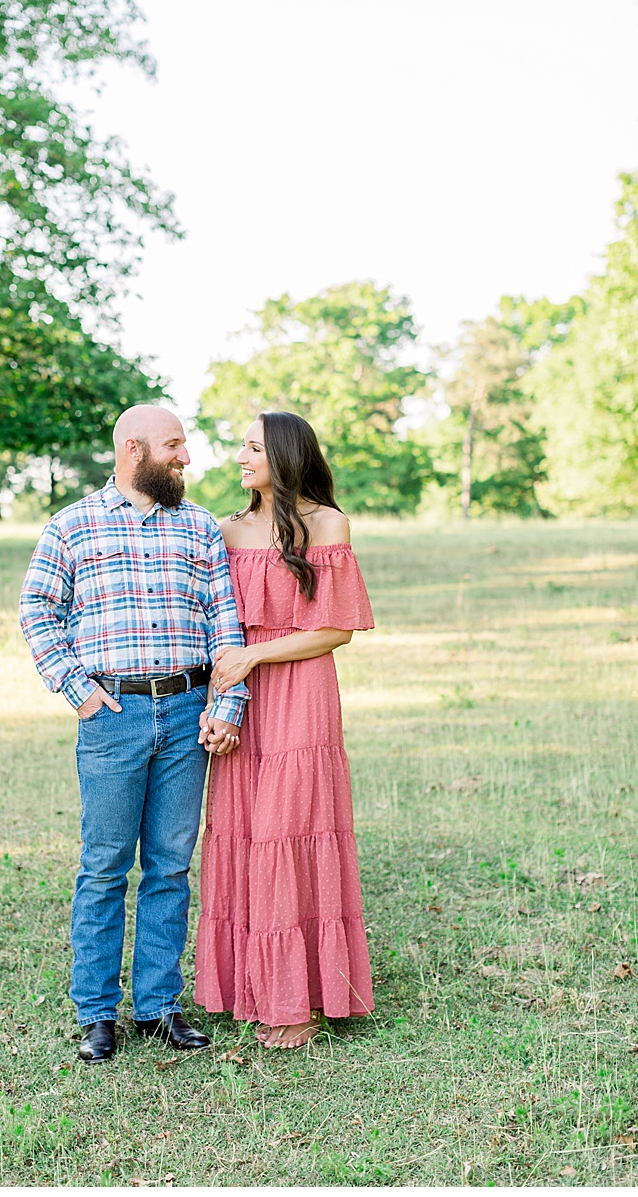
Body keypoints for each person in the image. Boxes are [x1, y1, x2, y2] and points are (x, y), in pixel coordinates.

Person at [19, 404, 248, 1064]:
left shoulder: (199, 526)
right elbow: (36, 607)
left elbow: (225, 621)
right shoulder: (72, 525)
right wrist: (77, 688)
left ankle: (158, 1006)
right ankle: (97, 1013)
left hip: (188, 712)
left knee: (170, 866)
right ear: (133, 450)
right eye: (174, 446)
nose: (185, 457)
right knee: (104, 867)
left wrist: (228, 704)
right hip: (112, 716)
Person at [193, 411, 375, 1049]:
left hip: (301, 691)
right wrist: (220, 698)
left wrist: (255, 655)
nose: (240, 458)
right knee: (243, 830)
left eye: (252, 448)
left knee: (290, 830)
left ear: (285, 455)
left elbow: (337, 630)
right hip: (241, 693)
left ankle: (298, 1000)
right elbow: (216, 625)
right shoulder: (226, 530)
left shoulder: (327, 524)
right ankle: (247, 986)